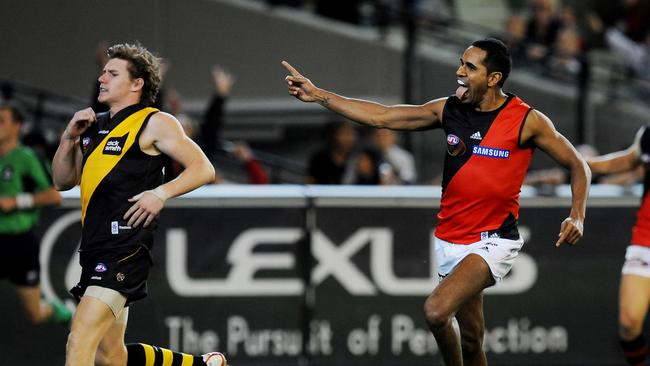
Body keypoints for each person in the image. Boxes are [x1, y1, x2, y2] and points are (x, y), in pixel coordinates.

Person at [282, 38, 590, 365]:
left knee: (435, 312)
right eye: (461, 62)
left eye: (470, 67)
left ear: (493, 78)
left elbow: (577, 164)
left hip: (494, 239)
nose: (459, 71)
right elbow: (382, 116)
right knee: (471, 340)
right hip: (449, 240)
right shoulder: (450, 110)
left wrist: (577, 215)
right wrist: (319, 96)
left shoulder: (527, 120)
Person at [51, 43, 226, 366]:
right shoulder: (93, 126)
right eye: (103, 72)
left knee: (79, 338)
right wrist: (68, 139)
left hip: (125, 248)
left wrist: (160, 194)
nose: (102, 78)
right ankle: (200, 364)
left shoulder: (155, 122)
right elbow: (62, 181)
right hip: (93, 247)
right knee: (111, 356)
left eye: (112, 73)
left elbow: (204, 169)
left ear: (136, 84)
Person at [0, 102, 70, 326]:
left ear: (17, 126)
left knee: (34, 314)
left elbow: (54, 195)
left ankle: (62, 312)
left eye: (2, 121)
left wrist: (17, 201)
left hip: (19, 243)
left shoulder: (27, 158)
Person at [586, 126, 650, 366]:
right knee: (629, 321)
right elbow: (625, 161)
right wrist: (574, 158)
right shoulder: (648, 135)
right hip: (646, 236)